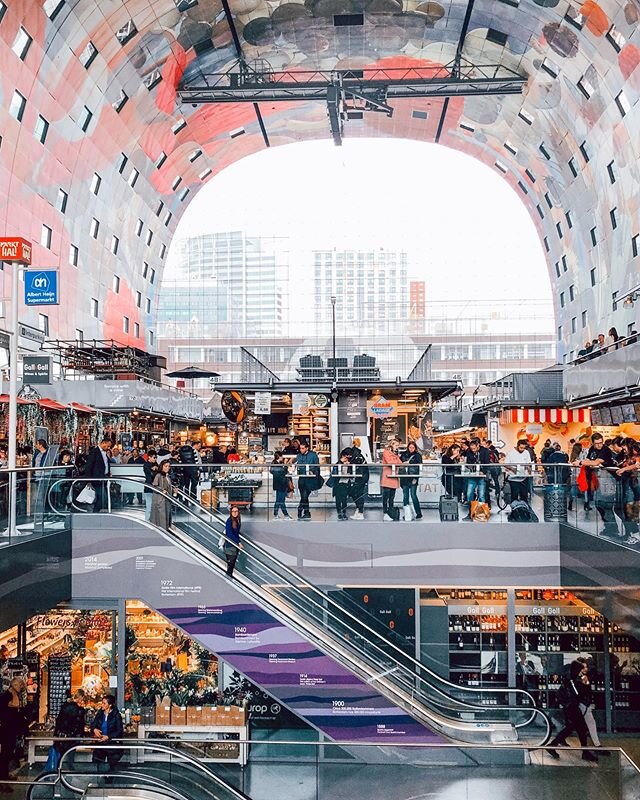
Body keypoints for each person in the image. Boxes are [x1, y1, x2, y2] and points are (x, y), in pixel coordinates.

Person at [547, 661, 598, 762]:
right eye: (580, 669)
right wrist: (586, 684)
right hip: (572, 707)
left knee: (573, 729)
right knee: (580, 729)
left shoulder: (571, 679)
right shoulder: (573, 681)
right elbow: (580, 695)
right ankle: (585, 752)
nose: (582, 672)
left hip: (570, 707)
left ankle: (553, 745)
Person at [0, 678, 27, 781]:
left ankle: (5, 774)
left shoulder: (13, 694)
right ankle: (3, 776)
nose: (21, 687)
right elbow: (13, 706)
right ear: (15, 685)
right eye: (20, 685)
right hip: (7, 729)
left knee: (8, 752)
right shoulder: (7, 695)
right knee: (6, 752)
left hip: (11, 728)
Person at [91, 695, 124, 776]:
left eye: (104, 703)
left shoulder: (116, 715)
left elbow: (119, 730)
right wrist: (94, 729)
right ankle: (98, 779)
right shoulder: (100, 713)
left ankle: (109, 779)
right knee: (97, 762)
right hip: (100, 743)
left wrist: (109, 736)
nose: (102, 705)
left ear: (110, 705)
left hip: (111, 744)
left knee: (111, 765)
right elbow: (93, 725)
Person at [54, 689, 86, 766]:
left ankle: (59, 769)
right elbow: (79, 724)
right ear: (81, 697)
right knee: (70, 755)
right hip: (73, 736)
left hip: (63, 734)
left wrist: (56, 733)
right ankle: (69, 769)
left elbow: (59, 720)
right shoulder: (79, 710)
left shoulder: (64, 706)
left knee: (61, 755)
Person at [463, 438, 490, 519]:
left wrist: (483, 471)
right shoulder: (469, 451)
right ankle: (471, 513)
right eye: (472, 449)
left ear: (478, 445)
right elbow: (468, 462)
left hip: (482, 476)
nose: (473, 450)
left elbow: (487, 463)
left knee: (481, 495)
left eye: (474, 448)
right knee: (469, 494)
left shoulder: (485, 451)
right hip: (472, 475)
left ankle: (481, 514)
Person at [294, 441, 320, 520]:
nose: (301, 450)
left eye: (302, 448)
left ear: (307, 448)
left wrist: (314, 472)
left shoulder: (313, 455)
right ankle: (307, 512)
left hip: (310, 479)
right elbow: (297, 466)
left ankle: (300, 509)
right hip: (301, 479)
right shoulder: (298, 456)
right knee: (304, 496)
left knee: (304, 496)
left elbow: (317, 467)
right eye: (300, 448)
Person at [84, 438, 112, 511]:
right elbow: (89, 466)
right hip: (96, 478)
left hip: (103, 477)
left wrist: (108, 472)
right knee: (102, 496)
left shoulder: (104, 453)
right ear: (103, 443)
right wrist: (88, 480)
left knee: (101, 496)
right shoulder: (94, 452)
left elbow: (105, 464)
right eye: (107, 446)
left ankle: (95, 510)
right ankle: (95, 511)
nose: (108, 448)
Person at [400, 441, 423, 521]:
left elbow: (420, 467)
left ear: (415, 448)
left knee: (413, 495)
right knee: (405, 496)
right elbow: (399, 463)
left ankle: (418, 513)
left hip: (413, 477)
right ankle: (407, 514)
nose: (411, 449)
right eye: (410, 447)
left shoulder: (418, 455)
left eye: (413, 447)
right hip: (404, 477)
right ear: (408, 447)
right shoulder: (403, 454)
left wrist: (416, 478)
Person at [381, 438, 402, 521]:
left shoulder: (395, 454)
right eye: (396, 445)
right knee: (386, 497)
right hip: (387, 477)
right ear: (392, 445)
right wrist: (396, 461)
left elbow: (400, 463)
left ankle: (390, 512)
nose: (397, 447)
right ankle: (385, 513)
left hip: (393, 477)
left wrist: (397, 461)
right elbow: (390, 462)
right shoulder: (386, 452)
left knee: (392, 497)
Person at [349, 439, 369, 520]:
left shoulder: (353, 453)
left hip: (358, 476)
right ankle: (359, 510)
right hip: (363, 476)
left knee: (355, 493)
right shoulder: (360, 453)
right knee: (359, 493)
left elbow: (353, 465)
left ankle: (360, 511)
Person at [150, 460, 173, 530]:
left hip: (166, 500)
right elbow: (154, 486)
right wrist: (162, 490)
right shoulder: (158, 475)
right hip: (160, 500)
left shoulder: (167, 476)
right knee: (160, 518)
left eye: (168, 466)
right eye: (165, 466)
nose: (167, 468)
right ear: (162, 466)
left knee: (165, 517)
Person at [331, 448, 353, 521]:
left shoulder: (349, 464)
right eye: (346, 457)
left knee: (344, 499)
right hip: (338, 483)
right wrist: (341, 462)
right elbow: (334, 472)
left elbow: (351, 474)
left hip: (345, 483)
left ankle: (343, 512)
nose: (347, 459)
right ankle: (339, 513)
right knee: (338, 499)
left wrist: (349, 466)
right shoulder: (338, 463)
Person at [270, 451, 291, 519]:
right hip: (280, 484)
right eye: (281, 456)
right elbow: (282, 471)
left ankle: (277, 514)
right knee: (281, 500)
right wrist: (285, 465)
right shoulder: (275, 464)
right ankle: (285, 515)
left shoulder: (277, 463)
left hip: (280, 484)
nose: (282, 457)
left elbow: (283, 471)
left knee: (279, 500)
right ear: (279, 456)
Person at [223, 506, 242, 577]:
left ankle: (229, 576)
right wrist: (239, 542)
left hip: (234, 546)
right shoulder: (229, 521)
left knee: (231, 564)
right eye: (233, 511)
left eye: (236, 511)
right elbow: (229, 534)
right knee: (231, 564)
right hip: (230, 546)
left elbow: (236, 533)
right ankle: (228, 577)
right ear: (231, 512)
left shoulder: (237, 520)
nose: (235, 513)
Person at [143, 449, 158, 521]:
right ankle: (147, 520)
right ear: (149, 457)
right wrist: (154, 470)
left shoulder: (155, 464)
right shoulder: (146, 465)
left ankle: (152, 520)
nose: (155, 459)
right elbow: (150, 475)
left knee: (154, 506)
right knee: (149, 506)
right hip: (149, 487)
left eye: (156, 457)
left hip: (154, 487)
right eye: (154, 457)